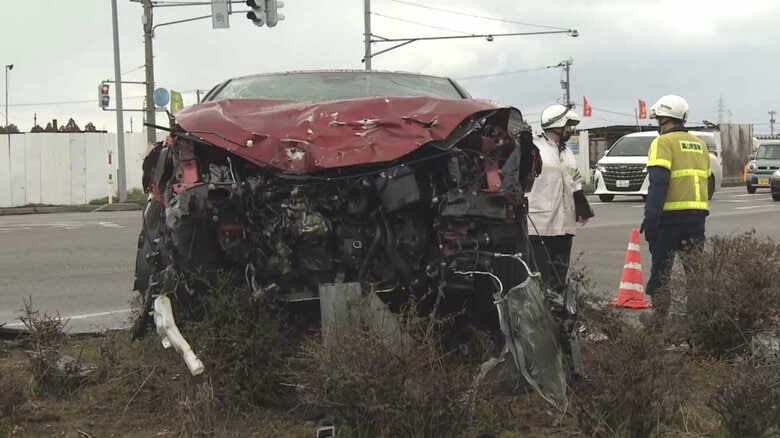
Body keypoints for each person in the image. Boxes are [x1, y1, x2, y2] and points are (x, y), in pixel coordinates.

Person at [641, 95, 709, 319]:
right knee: (695, 275)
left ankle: (658, 326)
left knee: (660, 274)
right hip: (697, 219)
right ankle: (696, 325)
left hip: (669, 220)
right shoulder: (700, 145)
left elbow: (658, 183)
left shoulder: (663, 143)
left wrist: (651, 219)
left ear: (662, 119)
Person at [526, 104, 594, 292]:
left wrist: (582, 209)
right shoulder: (534, 149)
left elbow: (575, 180)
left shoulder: (567, 152)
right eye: (568, 126)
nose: (571, 130)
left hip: (564, 225)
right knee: (540, 277)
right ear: (558, 124)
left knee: (559, 277)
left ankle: (558, 313)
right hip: (539, 225)